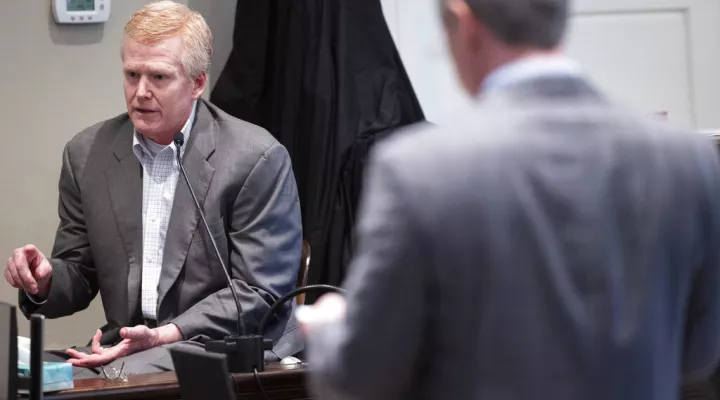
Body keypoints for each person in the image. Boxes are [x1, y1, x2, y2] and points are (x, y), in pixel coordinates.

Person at [300, 0, 720, 399]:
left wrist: (326, 328)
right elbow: (697, 353)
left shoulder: (419, 169)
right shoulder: (688, 161)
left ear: (464, 22)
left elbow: (361, 377)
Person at [3, 1, 303, 377]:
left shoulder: (256, 158)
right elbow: (79, 274)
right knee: (15, 375)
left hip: (219, 348)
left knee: (80, 381)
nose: (140, 91)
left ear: (196, 83)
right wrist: (45, 280)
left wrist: (165, 334)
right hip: (126, 349)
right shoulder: (87, 154)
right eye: (132, 74)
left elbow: (260, 293)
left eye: (159, 77)